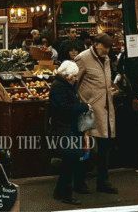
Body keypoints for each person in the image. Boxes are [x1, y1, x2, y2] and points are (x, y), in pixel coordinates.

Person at [75, 33, 119, 194]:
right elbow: (74, 82)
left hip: (106, 109)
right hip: (88, 111)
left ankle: (103, 181)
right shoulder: (83, 58)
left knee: (103, 147)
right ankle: (79, 181)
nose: (106, 50)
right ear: (95, 44)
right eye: (104, 47)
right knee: (84, 147)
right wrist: (81, 104)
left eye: (108, 47)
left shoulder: (106, 60)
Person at [47, 61, 90, 206]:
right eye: (74, 76)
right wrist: (83, 107)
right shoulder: (59, 88)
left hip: (66, 128)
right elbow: (64, 108)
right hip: (64, 129)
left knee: (69, 161)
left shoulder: (63, 86)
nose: (76, 79)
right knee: (70, 160)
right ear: (66, 76)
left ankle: (60, 191)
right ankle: (66, 194)